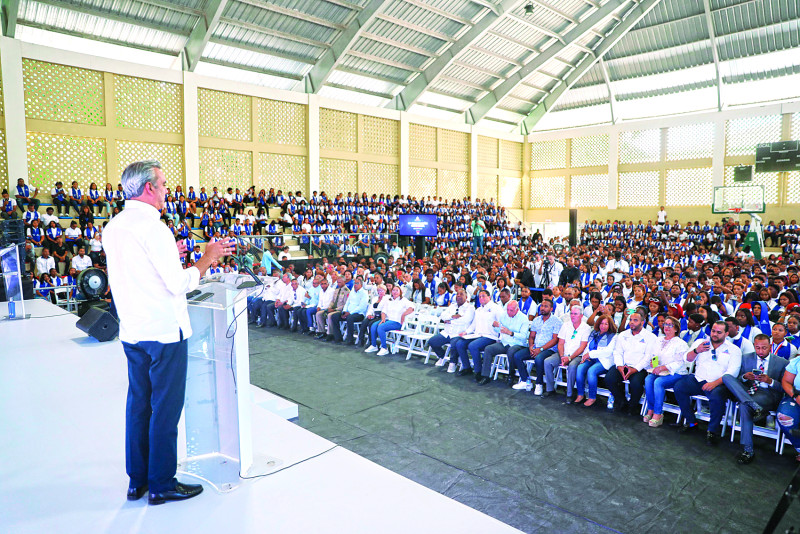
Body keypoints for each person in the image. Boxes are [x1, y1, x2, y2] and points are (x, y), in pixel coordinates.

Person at [103, 160, 234, 505]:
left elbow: (137, 272)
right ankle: (162, 483)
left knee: (139, 405)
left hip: (133, 331)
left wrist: (172, 259)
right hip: (163, 331)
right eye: (162, 185)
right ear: (148, 188)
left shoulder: (114, 226)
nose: (166, 191)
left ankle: (138, 481)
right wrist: (207, 258)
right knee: (165, 409)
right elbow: (177, 284)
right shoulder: (153, 228)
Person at [674, 320, 742, 446]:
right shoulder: (701, 342)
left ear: (726, 333)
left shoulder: (734, 350)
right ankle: (691, 421)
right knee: (679, 387)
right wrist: (696, 351)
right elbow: (687, 359)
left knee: (717, 397)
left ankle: (712, 431)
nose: (715, 334)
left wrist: (715, 383)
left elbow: (733, 373)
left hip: (719, 383)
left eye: (719, 332)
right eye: (713, 331)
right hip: (698, 379)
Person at [723, 334, 787, 464]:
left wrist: (770, 381)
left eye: (764, 348)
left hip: (767, 394)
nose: (760, 351)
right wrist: (745, 377)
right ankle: (754, 406)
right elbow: (739, 378)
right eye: (757, 348)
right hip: (747, 391)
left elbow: (784, 388)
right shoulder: (746, 358)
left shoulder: (782, 362)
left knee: (744, 406)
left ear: (770, 346)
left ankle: (748, 450)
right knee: (727, 377)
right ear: (754, 346)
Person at [605, 311, 658, 415]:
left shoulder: (650, 337)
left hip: (639, 368)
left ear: (642, 323)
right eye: (630, 320)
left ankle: (633, 405)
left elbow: (648, 357)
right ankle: (621, 401)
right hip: (623, 365)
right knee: (609, 378)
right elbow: (617, 352)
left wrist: (635, 369)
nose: (631, 322)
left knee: (636, 383)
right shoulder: (623, 335)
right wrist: (619, 366)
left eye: (635, 320)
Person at [642, 316, 689, 427]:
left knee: (658, 382)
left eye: (670, 325)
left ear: (676, 329)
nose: (666, 327)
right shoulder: (659, 340)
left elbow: (680, 363)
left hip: (676, 373)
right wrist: (653, 363)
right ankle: (650, 409)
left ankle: (658, 414)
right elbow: (654, 356)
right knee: (648, 379)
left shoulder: (680, 343)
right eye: (665, 324)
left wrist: (663, 368)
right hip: (661, 371)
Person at [511, 298, 561, 392]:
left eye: (546, 306)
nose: (542, 308)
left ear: (551, 309)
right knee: (517, 356)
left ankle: (539, 384)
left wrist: (540, 349)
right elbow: (531, 336)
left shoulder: (557, 321)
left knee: (539, 359)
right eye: (542, 306)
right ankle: (526, 381)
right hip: (535, 347)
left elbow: (555, 340)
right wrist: (531, 347)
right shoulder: (536, 320)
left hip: (549, 349)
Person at [449, 290, 502, 377]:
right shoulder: (478, 310)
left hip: (490, 336)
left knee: (473, 346)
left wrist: (500, 337)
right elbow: (474, 324)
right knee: (459, 343)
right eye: (480, 297)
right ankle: (467, 367)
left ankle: (478, 371)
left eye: (483, 296)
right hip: (477, 335)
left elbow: (501, 323)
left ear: (489, 297)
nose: (481, 298)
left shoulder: (496, 308)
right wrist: (466, 332)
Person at [476, 300, 529, 385]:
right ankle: (485, 375)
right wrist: (495, 326)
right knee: (488, 349)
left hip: (518, 343)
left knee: (511, 351)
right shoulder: (504, 315)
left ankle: (511, 374)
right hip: (504, 342)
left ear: (517, 310)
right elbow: (499, 330)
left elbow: (524, 336)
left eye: (511, 310)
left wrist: (511, 333)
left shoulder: (524, 318)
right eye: (507, 309)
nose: (508, 312)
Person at [574, 314, 617, 406]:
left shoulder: (613, 336)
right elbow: (587, 347)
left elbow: (607, 352)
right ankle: (580, 394)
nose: (603, 326)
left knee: (591, 371)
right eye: (601, 323)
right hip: (591, 358)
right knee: (580, 368)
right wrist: (584, 357)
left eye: (606, 324)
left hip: (604, 360)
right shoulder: (594, 333)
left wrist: (590, 354)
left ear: (610, 325)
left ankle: (592, 397)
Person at [431, 289, 475, 370]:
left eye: (461, 294)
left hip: (459, 333)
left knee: (454, 344)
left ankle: (453, 362)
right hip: (447, 332)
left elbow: (465, 320)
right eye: (457, 294)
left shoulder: (470, 308)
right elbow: (443, 316)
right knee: (432, 341)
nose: (458, 296)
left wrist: (450, 322)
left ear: (466, 297)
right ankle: (442, 356)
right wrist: (452, 316)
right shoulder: (452, 305)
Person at [365, 285, 413, 356]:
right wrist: (383, 319)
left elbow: (412, 308)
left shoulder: (403, 300)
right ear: (391, 291)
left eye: (397, 290)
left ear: (400, 292)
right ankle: (374, 345)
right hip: (388, 320)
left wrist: (403, 315)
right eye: (393, 290)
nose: (395, 292)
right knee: (373, 325)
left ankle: (384, 348)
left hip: (397, 322)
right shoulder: (389, 300)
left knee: (381, 327)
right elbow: (384, 311)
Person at [336, 278, 369, 344]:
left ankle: (350, 339)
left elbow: (361, 307)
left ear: (361, 285)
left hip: (359, 314)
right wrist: (344, 311)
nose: (355, 285)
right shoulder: (352, 291)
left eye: (357, 283)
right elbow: (347, 302)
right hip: (348, 312)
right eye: (354, 283)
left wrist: (350, 313)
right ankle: (338, 337)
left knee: (349, 318)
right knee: (334, 316)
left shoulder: (364, 293)